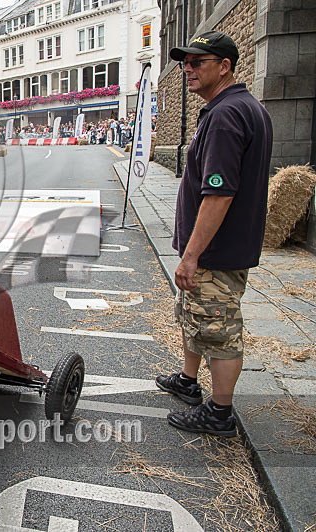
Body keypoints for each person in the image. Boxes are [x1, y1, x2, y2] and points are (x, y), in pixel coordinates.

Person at [155, 31, 273, 438]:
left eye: (197, 62)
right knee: (194, 315)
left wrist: (191, 255)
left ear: (224, 66)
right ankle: (189, 381)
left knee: (219, 329)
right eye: (185, 63)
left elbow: (219, 193)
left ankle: (219, 413)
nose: (188, 69)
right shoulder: (242, 106)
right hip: (220, 248)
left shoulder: (225, 115)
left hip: (215, 251)